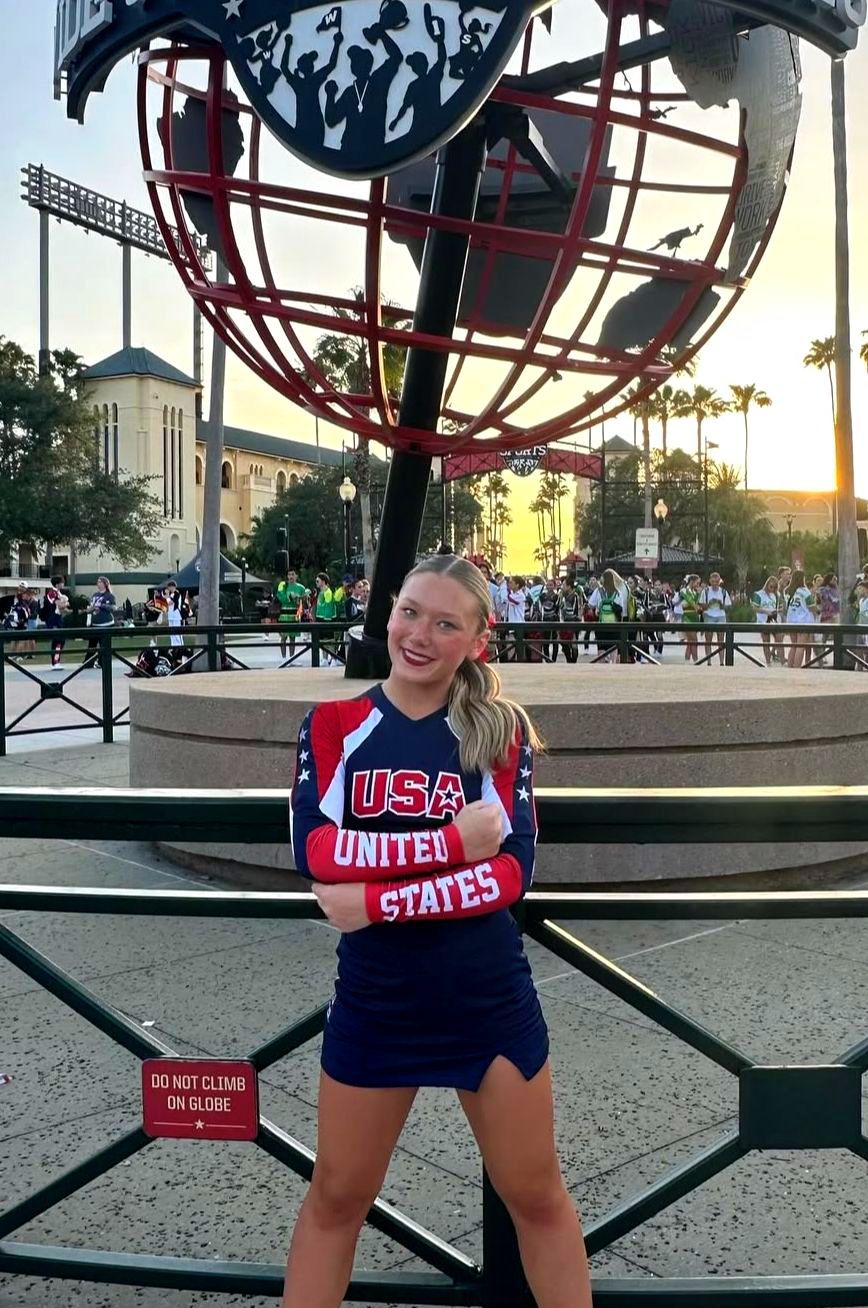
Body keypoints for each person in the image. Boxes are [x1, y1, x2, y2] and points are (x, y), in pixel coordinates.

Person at [284, 553, 593, 1308]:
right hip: (377, 1000)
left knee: (537, 1195)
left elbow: (509, 877)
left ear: (478, 641)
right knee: (336, 1198)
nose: (419, 635)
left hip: (485, 998)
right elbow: (318, 853)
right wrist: (450, 842)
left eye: (446, 623)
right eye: (410, 612)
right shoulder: (334, 725)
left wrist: (378, 903)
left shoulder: (499, 731)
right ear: (389, 612)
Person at [587, 568, 629, 662]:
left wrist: (597, 609)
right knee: (614, 651)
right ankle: (613, 668)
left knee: (601, 651)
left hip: (601, 626)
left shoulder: (598, 591)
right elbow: (621, 610)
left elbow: (590, 604)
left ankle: (602, 669)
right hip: (614, 627)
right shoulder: (618, 593)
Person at [784, 568, 816, 669]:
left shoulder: (788, 591)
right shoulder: (805, 591)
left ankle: (790, 666)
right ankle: (797, 668)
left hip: (791, 620)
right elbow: (811, 607)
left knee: (793, 645)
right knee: (800, 646)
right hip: (803, 620)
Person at [698, 572, 731, 666]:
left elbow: (728, 607)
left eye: (716, 582)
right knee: (708, 639)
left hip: (720, 616)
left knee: (721, 640)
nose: (715, 584)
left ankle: (721, 662)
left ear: (719, 581)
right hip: (709, 615)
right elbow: (701, 605)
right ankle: (708, 661)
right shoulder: (705, 591)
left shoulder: (723, 592)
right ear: (710, 581)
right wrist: (709, 604)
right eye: (713, 582)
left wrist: (721, 604)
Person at [83, 576, 116, 668]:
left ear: (105, 584)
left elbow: (113, 608)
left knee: (104, 645)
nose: (98, 584)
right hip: (95, 623)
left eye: (100, 582)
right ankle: (88, 662)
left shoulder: (109, 595)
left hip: (106, 623)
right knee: (92, 644)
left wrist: (102, 606)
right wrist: (89, 609)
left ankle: (103, 663)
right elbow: (90, 607)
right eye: (97, 582)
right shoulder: (95, 595)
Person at [276, 569, 307, 661]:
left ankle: (292, 658)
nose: (291, 577)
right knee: (283, 637)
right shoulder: (283, 585)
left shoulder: (301, 588)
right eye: (289, 575)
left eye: (293, 574)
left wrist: (300, 600)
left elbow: (304, 602)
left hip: (295, 615)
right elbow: (280, 597)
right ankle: (284, 658)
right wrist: (290, 597)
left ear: (296, 576)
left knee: (292, 637)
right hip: (284, 615)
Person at [42, 575, 71, 668]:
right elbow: (60, 605)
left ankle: (56, 661)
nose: (63, 584)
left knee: (60, 640)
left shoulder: (58, 593)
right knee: (58, 640)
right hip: (53, 618)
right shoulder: (52, 593)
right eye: (62, 582)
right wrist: (67, 602)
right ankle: (55, 662)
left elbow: (63, 608)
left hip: (58, 618)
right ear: (57, 584)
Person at [751, 576, 779, 666]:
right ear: (767, 585)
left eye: (774, 587)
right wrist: (766, 611)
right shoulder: (759, 594)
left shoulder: (775, 595)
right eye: (771, 587)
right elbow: (755, 608)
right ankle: (768, 662)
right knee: (766, 642)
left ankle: (773, 653)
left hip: (773, 619)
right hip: (763, 620)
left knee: (779, 637)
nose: (772, 589)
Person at [678, 574, 702, 663]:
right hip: (687, 618)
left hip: (695, 618)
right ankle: (696, 661)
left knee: (690, 642)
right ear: (691, 581)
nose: (698, 585)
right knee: (694, 640)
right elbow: (689, 600)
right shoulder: (684, 591)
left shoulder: (696, 592)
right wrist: (695, 606)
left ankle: (687, 661)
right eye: (697, 583)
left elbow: (698, 603)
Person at [558, 577, 581, 663]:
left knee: (574, 644)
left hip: (573, 622)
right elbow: (559, 607)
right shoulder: (563, 596)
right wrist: (560, 598)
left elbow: (576, 610)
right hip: (564, 622)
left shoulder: (575, 596)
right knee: (563, 642)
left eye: (564, 585)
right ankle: (569, 659)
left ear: (569, 586)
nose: (562, 587)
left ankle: (573, 662)